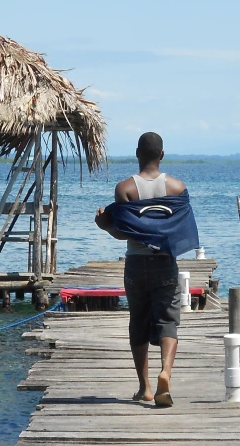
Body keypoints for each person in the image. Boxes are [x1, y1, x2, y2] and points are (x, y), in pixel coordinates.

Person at [95, 132, 191, 407]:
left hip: (136, 263)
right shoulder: (177, 188)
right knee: (168, 321)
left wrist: (104, 225)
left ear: (138, 153)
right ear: (161, 155)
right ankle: (166, 373)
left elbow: (123, 233)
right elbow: (180, 230)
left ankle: (145, 387)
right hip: (165, 262)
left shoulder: (125, 189)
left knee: (138, 321)